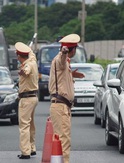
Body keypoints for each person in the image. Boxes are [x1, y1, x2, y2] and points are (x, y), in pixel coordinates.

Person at [48, 34, 85, 163]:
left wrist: (71, 75)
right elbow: (61, 61)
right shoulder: (61, 59)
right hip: (61, 106)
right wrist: (64, 52)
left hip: (62, 106)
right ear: (72, 50)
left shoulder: (65, 64)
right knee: (64, 139)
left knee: (61, 138)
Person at [15, 42, 39, 159]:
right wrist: (28, 49)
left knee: (24, 125)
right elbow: (32, 54)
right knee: (31, 125)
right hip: (34, 97)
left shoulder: (27, 65)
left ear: (20, 56)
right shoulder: (33, 61)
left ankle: (26, 152)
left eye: (17, 55)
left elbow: (26, 71)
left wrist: (23, 72)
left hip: (26, 98)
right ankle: (32, 148)